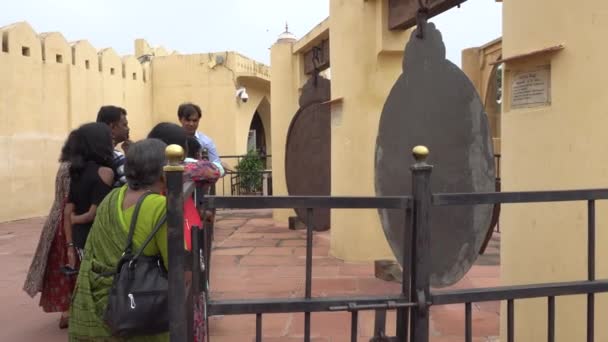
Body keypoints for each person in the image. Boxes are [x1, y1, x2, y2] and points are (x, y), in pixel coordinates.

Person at [68, 139, 170, 342]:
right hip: (138, 309)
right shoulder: (160, 206)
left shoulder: (112, 197)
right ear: (163, 172)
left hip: (100, 303)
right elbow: (178, 269)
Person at [23, 130, 79, 329]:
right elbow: (69, 198)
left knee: (62, 266)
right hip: (67, 221)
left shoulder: (66, 165)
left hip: (58, 220)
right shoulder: (74, 167)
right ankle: (69, 311)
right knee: (69, 264)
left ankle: (67, 310)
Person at [64, 123, 115, 268]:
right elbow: (92, 214)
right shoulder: (106, 172)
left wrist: (69, 246)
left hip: (79, 239)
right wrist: (76, 219)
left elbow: (67, 212)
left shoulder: (76, 171)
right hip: (97, 239)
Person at [96, 105, 131, 187]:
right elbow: (132, 185)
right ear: (112, 127)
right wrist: (131, 158)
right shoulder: (116, 157)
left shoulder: (87, 152)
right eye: (124, 125)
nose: (128, 129)